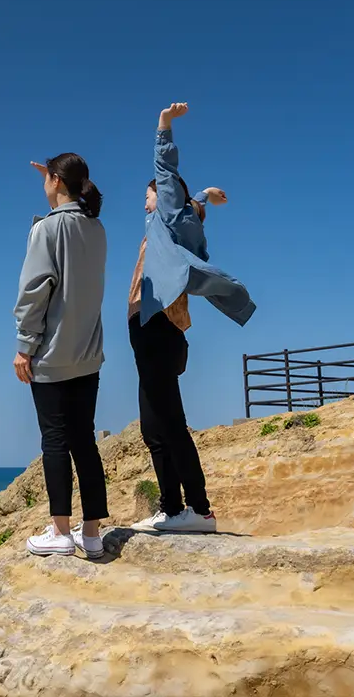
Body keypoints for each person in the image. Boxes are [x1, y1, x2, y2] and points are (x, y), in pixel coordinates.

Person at [128, 103, 255, 534]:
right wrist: (203, 197)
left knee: (170, 423)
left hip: (159, 327)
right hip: (150, 328)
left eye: (150, 194)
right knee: (153, 426)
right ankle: (171, 507)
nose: (145, 200)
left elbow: (166, 174)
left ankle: (199, 511)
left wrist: (164, 126)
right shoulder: (176, 225)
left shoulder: (167, 216)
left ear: (165, 199)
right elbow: (189, 209)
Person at [14, 152, 110, 559]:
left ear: (55, 181)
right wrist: (56, 180)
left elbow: (35, 292)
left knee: (54, 441)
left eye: (47, 180)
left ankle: (60, 532)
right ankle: (91, 534)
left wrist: (24, 346)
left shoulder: (47, 230)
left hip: (52, 355)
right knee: (84, 440)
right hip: (88, 353)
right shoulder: (96, 228)